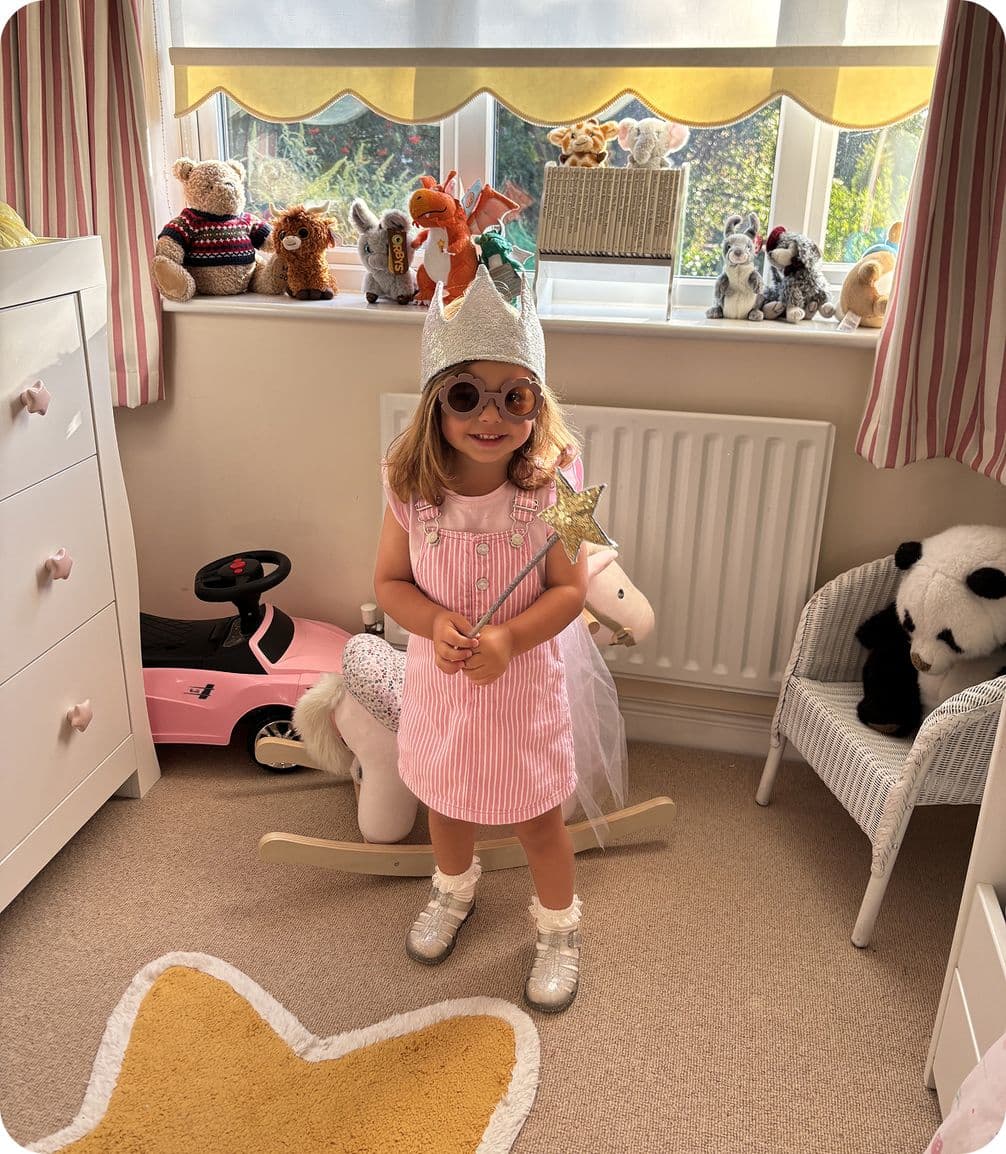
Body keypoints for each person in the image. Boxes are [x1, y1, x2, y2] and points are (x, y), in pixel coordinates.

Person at [374, 264, 626, 1012]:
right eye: (465, 396)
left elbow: (570, 592)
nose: (490, 418)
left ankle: (557, 928)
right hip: (440, 684)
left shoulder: (551, 492)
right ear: (435, 405)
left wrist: (511, 639)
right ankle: (453, 891)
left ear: (535, 404)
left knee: (536, 818)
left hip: (522, 691)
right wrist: (431, 622)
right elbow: (390, 583)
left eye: (512, 397)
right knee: (446, 804)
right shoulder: (409, 486)